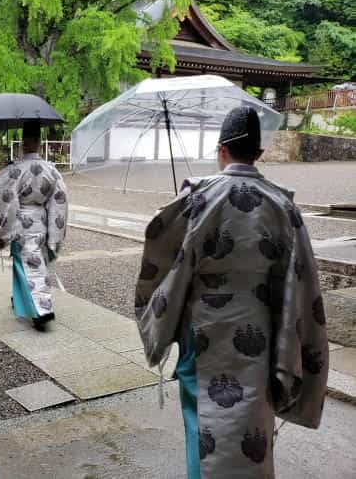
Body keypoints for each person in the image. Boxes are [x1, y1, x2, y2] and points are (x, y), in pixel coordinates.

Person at [134, 107, 328, 478]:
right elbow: (302, 283)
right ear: (258, 153)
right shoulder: (284, 206)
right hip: (260, 329)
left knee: (202, 424)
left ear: (221, 150)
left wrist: (175, 211)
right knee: (253, 418)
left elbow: (161, 252)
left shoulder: (198, 198)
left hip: (203, 328)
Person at [0, 121, 68, 331]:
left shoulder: (15, 170)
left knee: (25, 266)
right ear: (39, 143)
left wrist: (2, 229)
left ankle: (41, 310)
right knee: (38, 264)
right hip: (41, 221)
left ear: (23, 143)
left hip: (20, 222)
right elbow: (60, 202)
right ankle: (23, 300)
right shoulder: (51, 170)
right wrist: (55, 234)